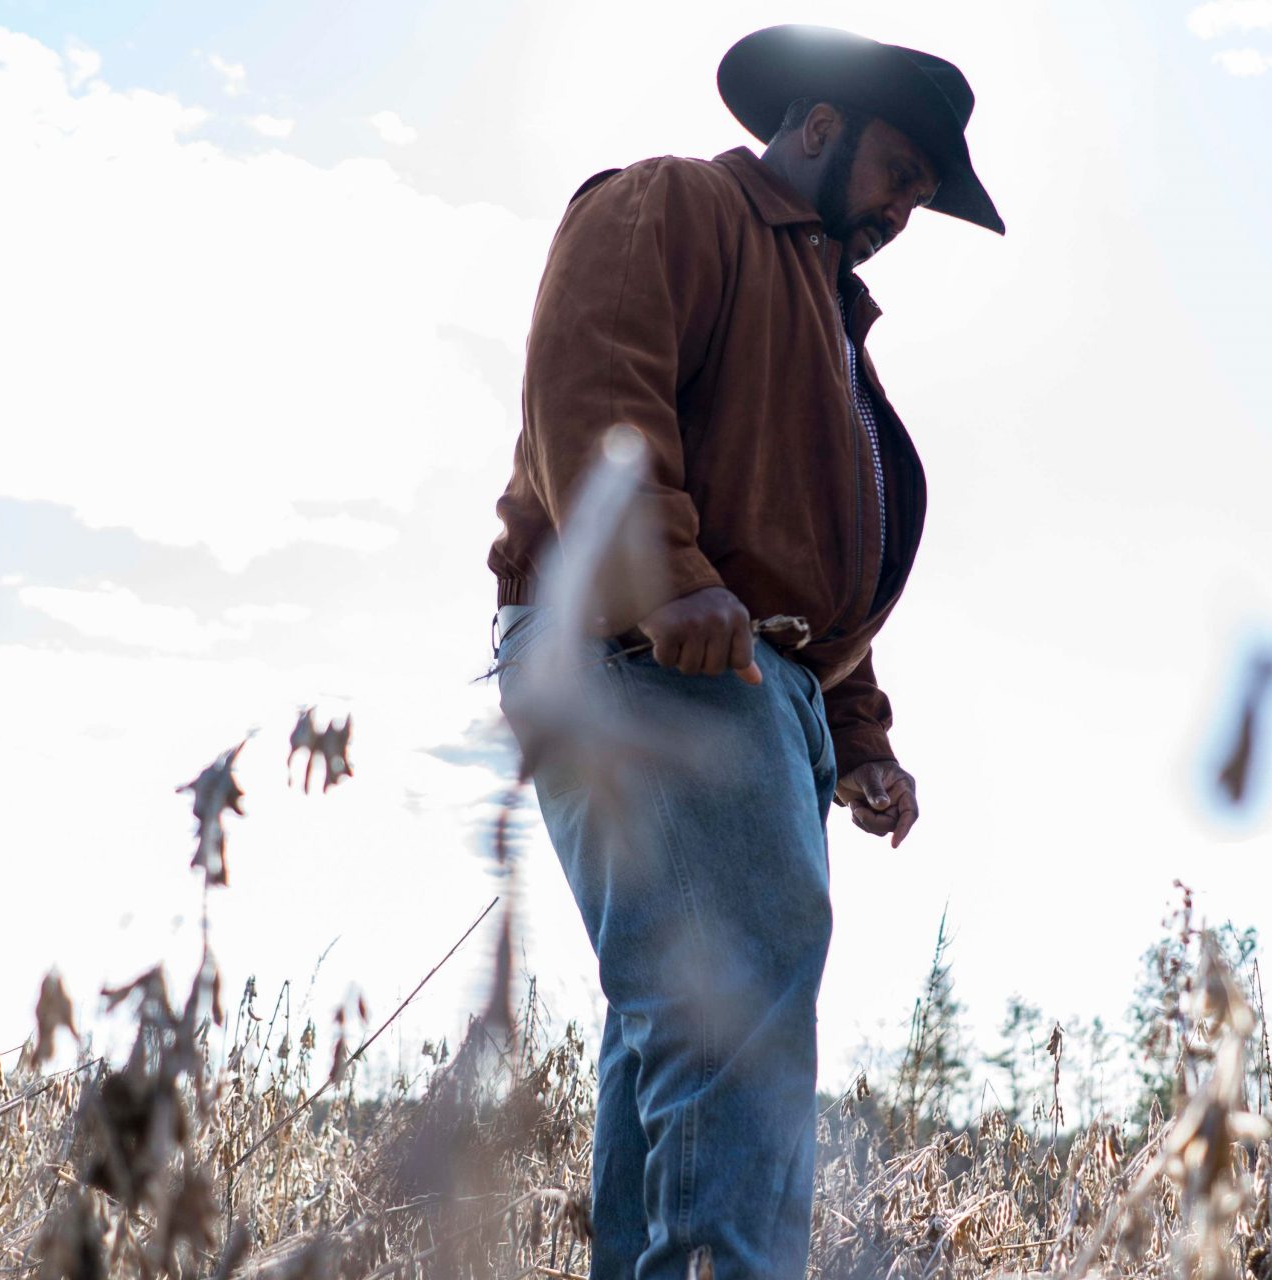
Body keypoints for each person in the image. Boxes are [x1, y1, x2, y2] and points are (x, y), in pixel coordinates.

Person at [484, 23, 1004, 1280]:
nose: (901, 209)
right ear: (817, 127)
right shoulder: (671, 205)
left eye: (923, 198)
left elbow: (808, 562)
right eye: (898, 173)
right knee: (737, 1012)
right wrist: (663, 580)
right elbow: (593, 390)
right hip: (650, 653)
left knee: (681, 1014)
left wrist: (859, 739)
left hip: (737, 676)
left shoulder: (825, 319)